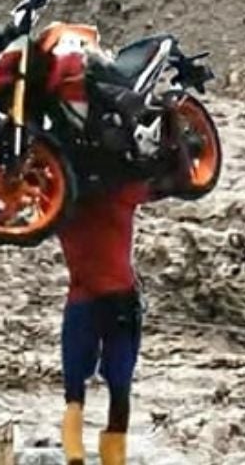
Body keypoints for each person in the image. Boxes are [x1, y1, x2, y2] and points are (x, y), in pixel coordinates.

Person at [56, 169, 174, 465]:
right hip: (121, 302)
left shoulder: (62, 205)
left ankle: (74, 458)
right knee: (119, 387)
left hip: (81, 300)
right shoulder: (122, 193)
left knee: (73, 391)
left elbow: (19, 229)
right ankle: (113, 460)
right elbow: (175, 183)